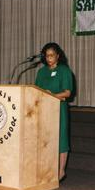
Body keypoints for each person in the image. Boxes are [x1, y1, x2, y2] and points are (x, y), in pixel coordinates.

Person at [35, 42, 73, 182]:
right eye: (46, 56)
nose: (49, 58)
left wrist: (51, 95)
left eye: (52, 55)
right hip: (44, 111)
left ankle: (61, 171)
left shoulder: (64, 70)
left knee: (61, 139)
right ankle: (46, 169)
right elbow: (36, 91)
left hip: (58, 109)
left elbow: (67, 93)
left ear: (58, 56)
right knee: (45, 140)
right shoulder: (41, 72)